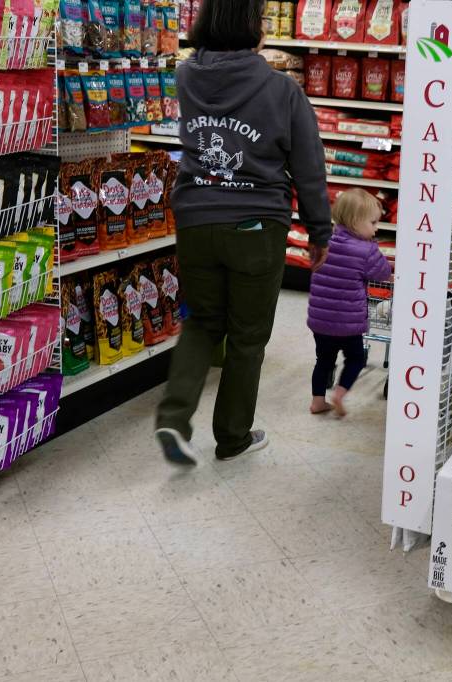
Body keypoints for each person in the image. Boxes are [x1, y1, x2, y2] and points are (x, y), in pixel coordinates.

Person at [155, 0, 331, 466]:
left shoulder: (186, 77)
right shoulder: (281, 90)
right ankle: (232, 437)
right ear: (254, 28)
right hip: (256, 223)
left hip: (195, 217)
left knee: (201, 322)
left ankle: (174, 416)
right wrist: (319, 231)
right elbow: (309, 167)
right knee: (247, 336)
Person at [307, 189, 392, 417]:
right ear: (355, 221)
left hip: (320, 321)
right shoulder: (366, 250)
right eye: (373, 222)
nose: (376, 228)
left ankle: (317, 401)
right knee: (355, 359)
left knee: (323, 360)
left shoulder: (323, 242)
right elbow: (383, 273)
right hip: (348, 323)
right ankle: (339, 394)